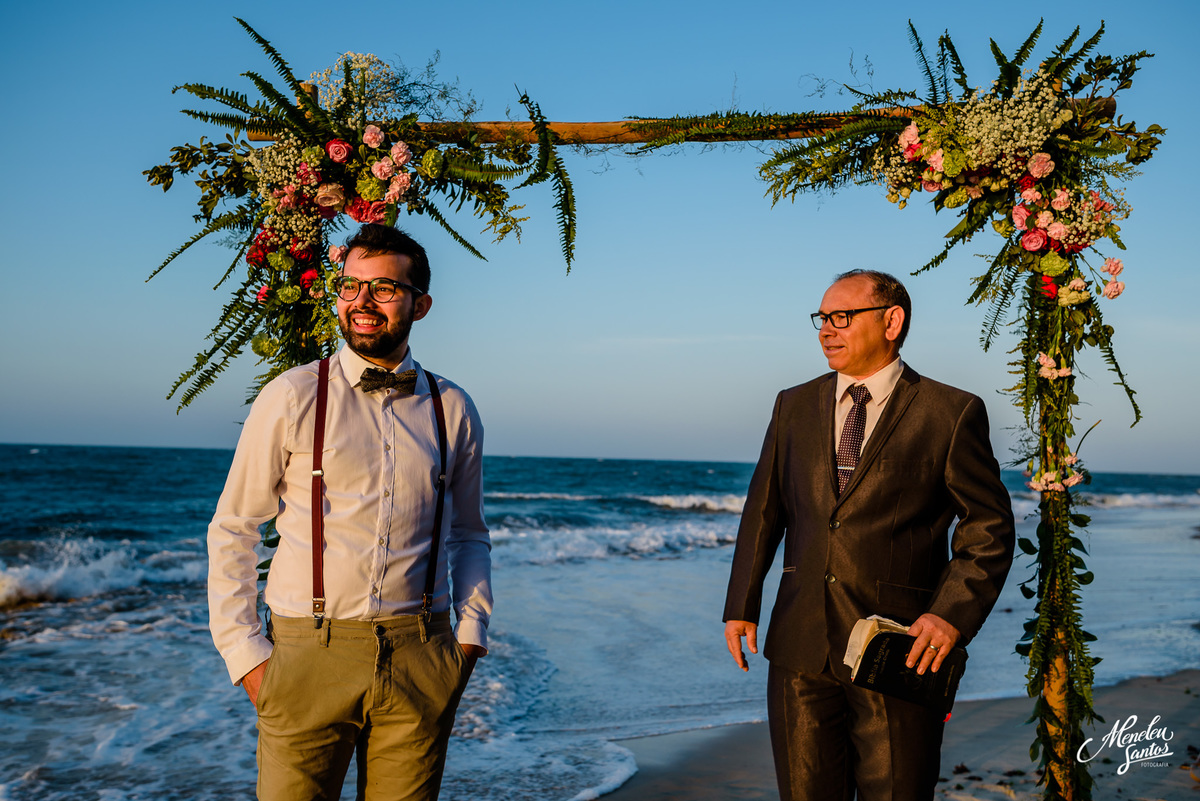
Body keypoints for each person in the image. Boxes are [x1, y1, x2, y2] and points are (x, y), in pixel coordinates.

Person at [207, 223, 492, 801]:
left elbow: (468, 533)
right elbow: (235, 526)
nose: (362, 302)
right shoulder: (292, 395)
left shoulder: (451, 406)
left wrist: (468, 636)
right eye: (350, 286)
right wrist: (246, 655)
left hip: (421, 654)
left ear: (421, 304)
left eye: (384, 288)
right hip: (307, 655)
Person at [723, 269, 1015, 801]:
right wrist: (742, 602)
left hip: (899, 649)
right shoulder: (792, 405)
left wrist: (951, 616)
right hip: (799, 646)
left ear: (891, 321)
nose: (826, 331)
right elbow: (763, 510)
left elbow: (989, 527)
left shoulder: (950, 412)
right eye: (821, 319)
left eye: (841, 317)